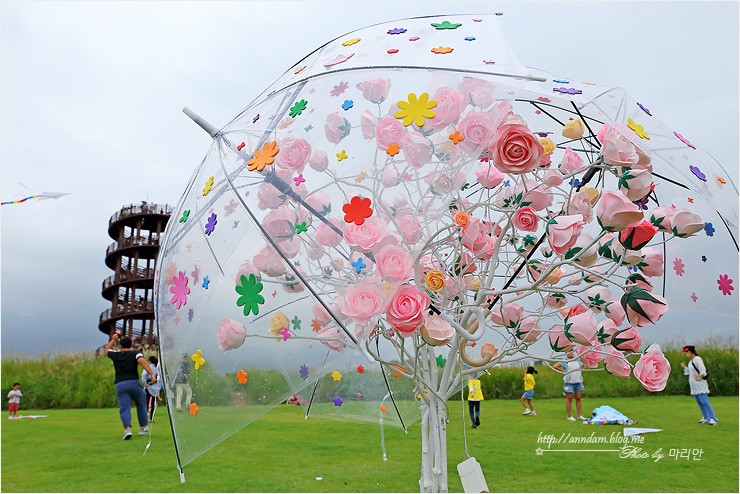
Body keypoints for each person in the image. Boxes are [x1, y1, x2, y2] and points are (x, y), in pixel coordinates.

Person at [105, 332, 157, 440]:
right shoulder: (135, 353)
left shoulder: (116, 354)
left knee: (124, 408)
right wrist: (151, 374)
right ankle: (143, 427)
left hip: (120, 384)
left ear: (120, 346)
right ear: (131, 345)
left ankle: (127, 429)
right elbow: (142, 361)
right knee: (141, 403)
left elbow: (106, 350)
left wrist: (113, 339)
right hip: (133, 382)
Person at [681, 345, 718, 425]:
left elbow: (702, 369)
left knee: (704, 401)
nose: (686, 355)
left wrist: (701, 376)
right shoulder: (691, 361)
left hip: (700, 384)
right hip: (694, 385)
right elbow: (690, 373)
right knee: (699, 402)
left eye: (687, 353)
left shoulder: (697, 359)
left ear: (691, 352)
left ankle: (713, 418)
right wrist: (685, 367)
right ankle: (706, 417)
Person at [554, 351, 587, 422]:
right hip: (569, 383)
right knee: (570, 398)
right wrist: (564, 371)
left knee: (578, 398)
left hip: (578, 382)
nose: (571, 353)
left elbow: (585, 365)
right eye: (569, 352)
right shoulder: (565, 360)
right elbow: (555, 366)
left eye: (572, 352)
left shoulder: (577, 360)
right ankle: (569, 416)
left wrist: (581, 370)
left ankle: (579, 415)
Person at [141, 356, 161, 423]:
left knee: (146, 402)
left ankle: (146, 415)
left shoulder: (149, 367)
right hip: (155, 386)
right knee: (153, 403)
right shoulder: (157, 367)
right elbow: (159, 376)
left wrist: (145, 383)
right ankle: (151, 418)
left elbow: (144, 375)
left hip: (148, 386)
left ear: (150, 361)